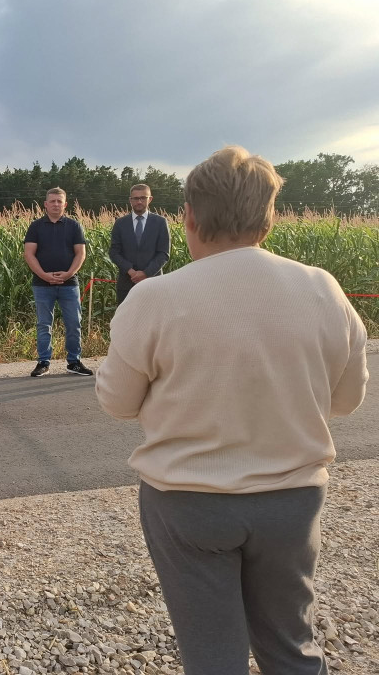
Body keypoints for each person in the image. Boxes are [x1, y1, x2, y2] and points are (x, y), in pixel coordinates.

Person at [95, 146, 369, 675]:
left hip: (187, 504)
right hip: (292, 502)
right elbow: (348, 399)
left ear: (190, 217)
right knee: (292, 644)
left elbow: (117, 401)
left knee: (212, 655)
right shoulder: (323, 290)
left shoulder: (154, 299)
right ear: (269, 218)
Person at [23, 187, 93, 377]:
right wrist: (44, 275)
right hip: (42, 284)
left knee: (73, 323)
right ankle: (43, 361)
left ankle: (74, 361)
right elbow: (29, 254)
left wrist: (69, 273)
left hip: (69, 284)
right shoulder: (36, 227)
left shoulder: (74, 226)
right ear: (45, 204)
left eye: (59, 201)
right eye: (52, 201)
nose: (55, 204)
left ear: (65, 204)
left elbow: (81, 253)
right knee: (44, 324)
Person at [108, 184, 171, 304]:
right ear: (130, 200)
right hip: (126, 283)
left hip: (153, 282)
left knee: (152, 321)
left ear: (150, 199)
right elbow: (114, 252)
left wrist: (146, 273)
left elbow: (163, 253)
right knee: (126, 321)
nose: (139, 201)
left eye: (143, 198)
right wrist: (130, 271)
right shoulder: (120, 223)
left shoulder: (160, 223)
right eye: (135, 198)